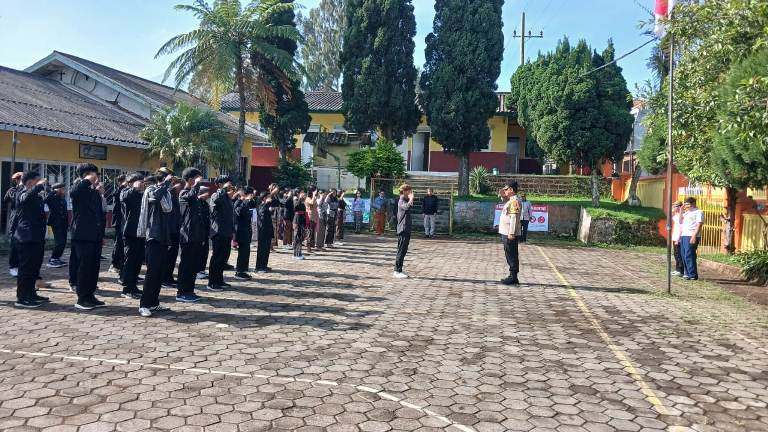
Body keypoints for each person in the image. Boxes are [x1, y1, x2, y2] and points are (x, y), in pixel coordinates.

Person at [137, 173, 174, 317]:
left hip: (163, 236)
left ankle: (154, 302)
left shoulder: (166, 194)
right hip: (153, 236)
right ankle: (144, 304)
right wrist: (164, 185)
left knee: (159, 272)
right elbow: (155, 198)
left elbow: (168, 208)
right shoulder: (152, 191)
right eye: (167, 180)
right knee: (152, 272)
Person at [70, 163, 106, 310]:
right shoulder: (79, 186)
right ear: (87, 174)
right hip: (82, 235)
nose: (97, 176)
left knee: (93, 267)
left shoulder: (93, 191)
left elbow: (99, 215)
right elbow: (73, 192)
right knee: (84, 268)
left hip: (95, 236)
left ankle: (90, 295)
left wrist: (101, 235)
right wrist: (87, 180)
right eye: (94, 174)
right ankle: (82, 299)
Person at [13, 172, 49, 308]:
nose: (40, 184)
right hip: (26, 237)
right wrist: (38, 187)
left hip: (36, 237)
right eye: (37, 181)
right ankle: (22, 297)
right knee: (26, 269)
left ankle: (31, 293)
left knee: (34, 268)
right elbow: (25, 198)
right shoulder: (21, 192)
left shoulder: (35, 195)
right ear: (29, 182)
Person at [177, 168, 206, 303]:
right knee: (186, 265)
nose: (198, 181)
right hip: (187, 235)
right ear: (189, 179)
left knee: (193, 265)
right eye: (196, 178)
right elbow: (191, 196)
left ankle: (189, 290)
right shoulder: (183, 193)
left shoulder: (193, 194)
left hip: (195, 235)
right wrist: (196, 185)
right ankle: (182, 292)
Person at [119, 174, 146, 299]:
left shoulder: (142, 194)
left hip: (140, 233)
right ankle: (127, 288)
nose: (141, 184)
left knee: (138, 261)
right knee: (130, 261)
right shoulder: (125, 192)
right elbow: (125, 197)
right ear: (130, 183)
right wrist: (134, 188)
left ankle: (134, 285)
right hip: (129, 232)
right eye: (138, 182)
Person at [208, 176, 234, 291]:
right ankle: (212, 282)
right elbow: (216, 203)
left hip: (226, 231)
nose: (228, 185)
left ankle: (219, 280)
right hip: (218, 231)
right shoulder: (216, 195)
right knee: (217, 258)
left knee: (224, 258)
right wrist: (223, 189)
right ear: (219, 184)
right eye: (224, 183)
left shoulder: (227, 197)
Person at [499, 183, 522, 285]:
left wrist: (511, 232)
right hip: (506, 231)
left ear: (511, 189)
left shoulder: (514, 201)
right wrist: (502, 196)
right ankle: (512, 276)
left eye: (506, 189)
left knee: (511, 254)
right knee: (509, 254)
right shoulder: (511, 201)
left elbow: (514, 218)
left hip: (509, 232)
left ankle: (513, 277)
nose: (505, 191)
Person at [163, 174, 183, 288]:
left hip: (175, 228)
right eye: (178, 183)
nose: (181, 186)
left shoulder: (175, 194)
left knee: (173, 255)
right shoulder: (170, 193)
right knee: (168, 255)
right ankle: (165, 278)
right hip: (169, 229)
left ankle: (169, 277)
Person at [45, 183, 69, 268]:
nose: (64, 191)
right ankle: (52, 259)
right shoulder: (52, 197)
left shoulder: (62, 199)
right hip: (56, 223)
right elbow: (46, 199)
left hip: (63, 223)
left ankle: (57, 258)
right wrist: (52, 190)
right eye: (62, 189)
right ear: (57, 189)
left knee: (63, 242)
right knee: (59, 242)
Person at [234, 186, 256, 280]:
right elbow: (238, 213)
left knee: (246, 251)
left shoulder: (248, 202)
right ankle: (239, 271)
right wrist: (246, 201)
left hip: (247, 229)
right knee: (242, 252)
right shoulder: (239, 202)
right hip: (241, 230)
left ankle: (243, 270)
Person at [680, 197, 703, 281]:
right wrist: (681, 211)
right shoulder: (686, 212)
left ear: (693, 203)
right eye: (685, 204)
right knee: (683, 255)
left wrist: (694, 236)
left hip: (691, 235)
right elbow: (680, 221)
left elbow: (699, 224)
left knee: (689, 255)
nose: (686, 206)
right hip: (684, 235)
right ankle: (687, 273)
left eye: (688, 204)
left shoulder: (699, 212)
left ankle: (693, 274)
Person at [394, 184, 414, 279]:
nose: (411, 193)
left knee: (404, 250)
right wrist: (411, 199)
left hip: (406, 228)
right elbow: (406, 207)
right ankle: (397, 271)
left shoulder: (405, 200)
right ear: (405, 191)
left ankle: (399, 269)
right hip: (403, 228)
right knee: (401, 250)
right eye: (410, 191)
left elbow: (410, 206)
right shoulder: (401, 200)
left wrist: (410, 200)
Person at [5, 171, 23, 277]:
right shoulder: (13, 190)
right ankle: (13, 266)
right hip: (15, 220)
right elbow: (7, 199)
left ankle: (20, 265)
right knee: (14, 244)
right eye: (20, 179)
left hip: (23, 220)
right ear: (17, 180)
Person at [108, 175, 127, 273]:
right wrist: (121, 187)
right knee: (118, 243)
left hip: (124, 221)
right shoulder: (118, 191)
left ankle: (120, 263)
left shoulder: (126, 191)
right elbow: (115, 194)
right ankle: (114, 264)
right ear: (119, 182)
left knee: (122, 244)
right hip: (118, 221)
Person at [256, 191, 274, 272]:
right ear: (264, 198)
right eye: (268, 197)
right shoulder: (261, 205)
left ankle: (264, 265)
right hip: (263, 231)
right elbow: (262, 215)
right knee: (262, 249)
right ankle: (259, 266)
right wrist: (267, 204)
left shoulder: (266, 205)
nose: (270, 198)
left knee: (266, 249)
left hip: (268, 230)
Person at [196, 186, 212, 280]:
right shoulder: (197, 203)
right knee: (198, 252)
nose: (208, 195)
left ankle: (202, 269)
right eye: (206, 193)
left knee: (205, 252)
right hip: (199, 232)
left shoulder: (205, 203)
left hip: (205, 231)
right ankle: (196, 271)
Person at [671, 201, 684, 277]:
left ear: (679, 207)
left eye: (674, 206)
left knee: (679, 255)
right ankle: (677, 269)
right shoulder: (675, 215)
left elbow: (681, 228)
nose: (673, 207)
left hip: (678, 238)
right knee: (675, 254)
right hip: (675, 236)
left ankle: (681, 271)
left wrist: (678, 239)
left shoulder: (681, 216)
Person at [293, 191, 307, 260]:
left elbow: (304, 212)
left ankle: (299, 252)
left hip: (301, 220)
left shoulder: (303, 203)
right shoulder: (296, 201)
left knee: (300, 237)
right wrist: (299, 199)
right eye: (303, 196)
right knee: (297, 237)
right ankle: (296, 254)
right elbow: (295, 208)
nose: (305, 197)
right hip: (297, 220)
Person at [305, 188, 318, 253]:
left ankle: (311, 247)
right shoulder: (308, 198)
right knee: (309, 232)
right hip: (310, 217)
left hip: (314, 217)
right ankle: (308, 247)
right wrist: (314, 195)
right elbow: (312, 203)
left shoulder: (313, 197)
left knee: (312, 232)